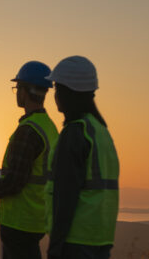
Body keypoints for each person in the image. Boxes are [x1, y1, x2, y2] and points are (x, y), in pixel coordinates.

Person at [0, 61, 59, 259]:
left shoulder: (28, 131)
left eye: (17, 87)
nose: (16, 92)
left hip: (19, 221)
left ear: (25, 91)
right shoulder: (50, 128)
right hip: (37, 219)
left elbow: (13, 183)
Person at [45, 56, 120, 259]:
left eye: (57, 88)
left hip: (75, 241)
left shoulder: (75, 134)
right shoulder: (101, 132)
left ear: (69, 91)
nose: (55, 95)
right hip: (100, 239)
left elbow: (65, 197)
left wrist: (55, 247)